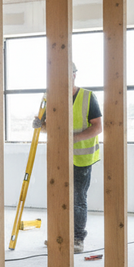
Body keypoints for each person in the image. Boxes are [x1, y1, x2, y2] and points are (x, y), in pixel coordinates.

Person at [35, 62, 102, 254]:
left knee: (78, 198)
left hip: (82, 158)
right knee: (58, 196)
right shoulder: (50, 97)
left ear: (74, 76)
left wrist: (73, 138)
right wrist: (40, 125)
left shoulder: (88, 97)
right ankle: (60, 235)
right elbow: (47, 128)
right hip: (58, 157)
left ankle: (78, 238)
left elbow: (97, 126)